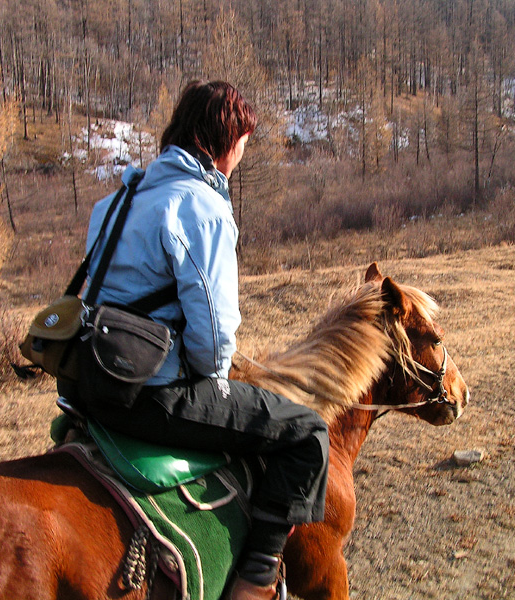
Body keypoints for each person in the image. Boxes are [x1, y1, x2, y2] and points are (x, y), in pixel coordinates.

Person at [68, 81, 328, 600]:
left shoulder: (117, 200)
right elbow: (213, 340)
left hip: (89, 384)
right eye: (243, 143)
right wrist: (216, 385)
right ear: (225, 140)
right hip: (152, 396)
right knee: (307, 433)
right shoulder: (202, 207)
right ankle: (256, 579)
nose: (242, 155)